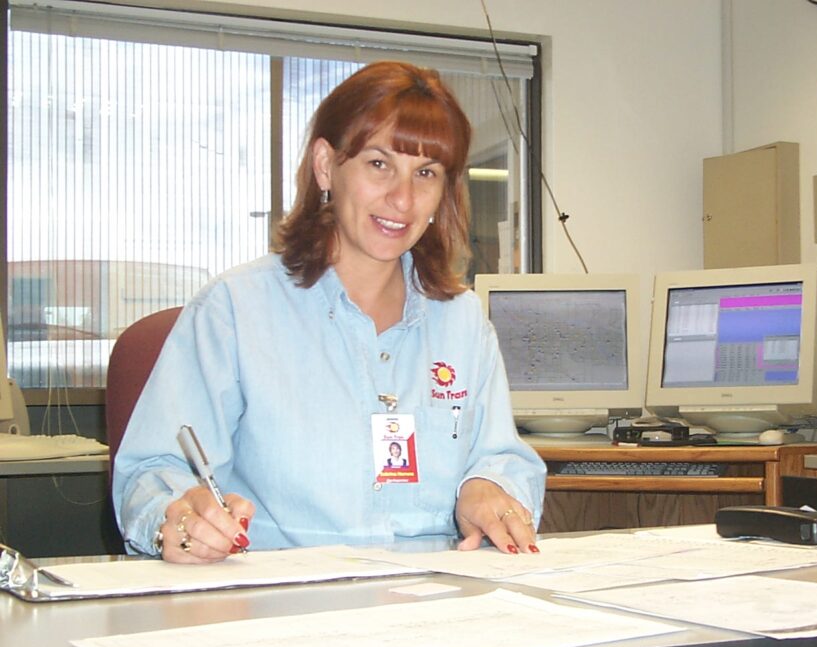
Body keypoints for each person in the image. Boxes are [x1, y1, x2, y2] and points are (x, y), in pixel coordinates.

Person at [112, 61, 546, 564]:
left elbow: (502, 456)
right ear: (325, 166)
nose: (402, 199)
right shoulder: (235, 311)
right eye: (378, 164)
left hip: (435, 604)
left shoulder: (463, 321)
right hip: (279, 604)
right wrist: (181, 517)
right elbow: (152, 471)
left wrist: (485, 486)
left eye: (425, 173)